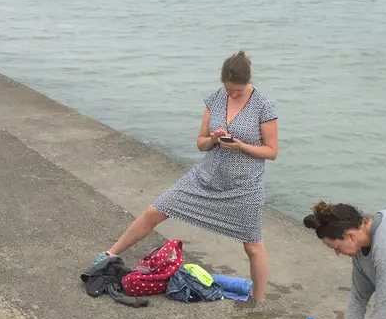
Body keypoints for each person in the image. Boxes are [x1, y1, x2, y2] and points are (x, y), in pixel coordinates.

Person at [91, 51, 278, 301]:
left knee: (252, 245)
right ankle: (110, 254)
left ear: (249, 80)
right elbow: (200, 143)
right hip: (206, 175)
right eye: (228, 89)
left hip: (244, 186)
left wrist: (240, 145)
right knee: (155, 211)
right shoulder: (216, 98)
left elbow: (271, 151)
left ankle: (258, 300)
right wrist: (213, 139)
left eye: (237, 91)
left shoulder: (264, 105)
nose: (231, 95)